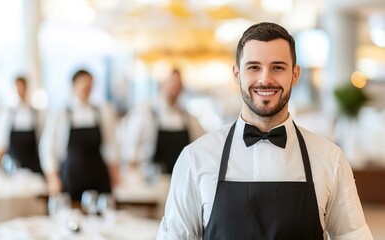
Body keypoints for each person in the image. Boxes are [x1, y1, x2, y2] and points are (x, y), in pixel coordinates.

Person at [156, 22, 373, 239]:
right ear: (237, 74)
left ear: (295, 74)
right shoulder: (196, 159)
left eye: (277, 67)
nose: (265, 79)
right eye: (254, 67)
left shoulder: (330, 159)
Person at [39, 69, 119, 201]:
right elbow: (47, 147)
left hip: (98, 177)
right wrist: (53, 179)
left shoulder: (102, 112)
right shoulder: (61, 114)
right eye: (83, 85)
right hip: (71, 178)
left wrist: (114, 172)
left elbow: (111, 145)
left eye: (89, 86)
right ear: (73, 86)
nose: (86, 89)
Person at [120, 68, 205, 174]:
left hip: (182, 177)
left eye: (178, 85)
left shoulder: (188, 118)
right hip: (153, 180)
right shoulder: (146, 113)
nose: (175, 88)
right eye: (172, 83)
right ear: (162, 85)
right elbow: (130, 152)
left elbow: (202, 146)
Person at [0, 76, 43, 174]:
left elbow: (42, 144)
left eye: (23, 87)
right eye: (18, 88)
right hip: (12, 169)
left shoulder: (36, 114)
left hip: (34, 169)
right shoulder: (6, 114)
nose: (21, 91)